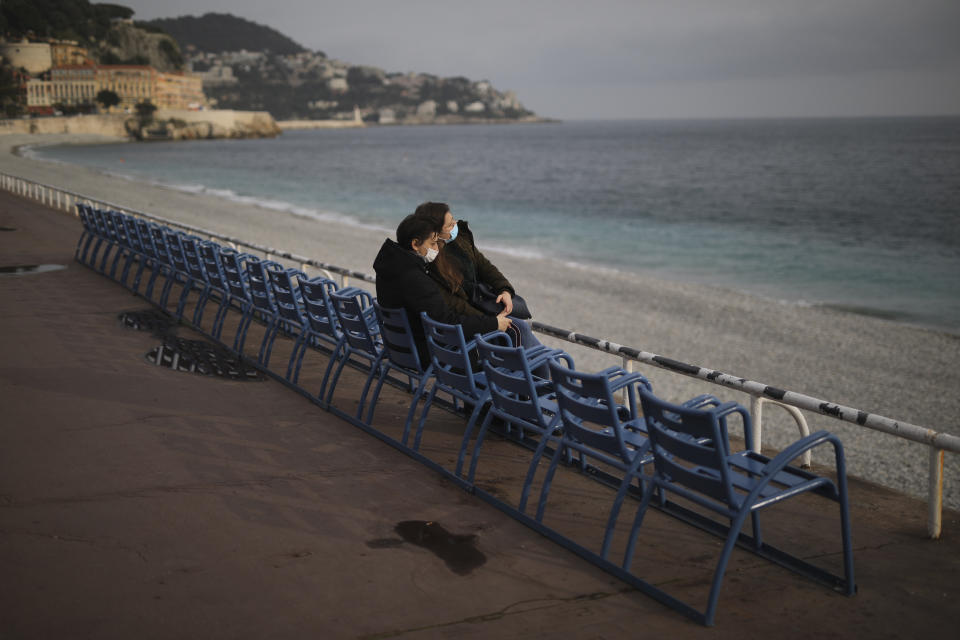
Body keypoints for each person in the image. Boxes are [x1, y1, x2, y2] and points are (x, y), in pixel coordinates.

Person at [372, 214, 511, 366]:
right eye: (432, 244)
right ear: (415, 244)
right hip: (427, 355)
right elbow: (447, 322)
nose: (437, 249)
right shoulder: (415, 279)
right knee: (502, 344)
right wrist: (493, 323)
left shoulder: (391, 267)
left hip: (399, 348)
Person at [413, 202, 540, 349]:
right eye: (449, 225)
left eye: (453, 219)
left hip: (481, 308)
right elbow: (454, 304)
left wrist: (504, 289)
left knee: (521, 328)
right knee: (520, 328)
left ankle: (547, 365)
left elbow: (484, 265)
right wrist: (490, 320)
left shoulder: (460, 239)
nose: (455, 224)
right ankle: (546, 367)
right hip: (469, 324)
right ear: (434, 234)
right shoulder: (431, 261)